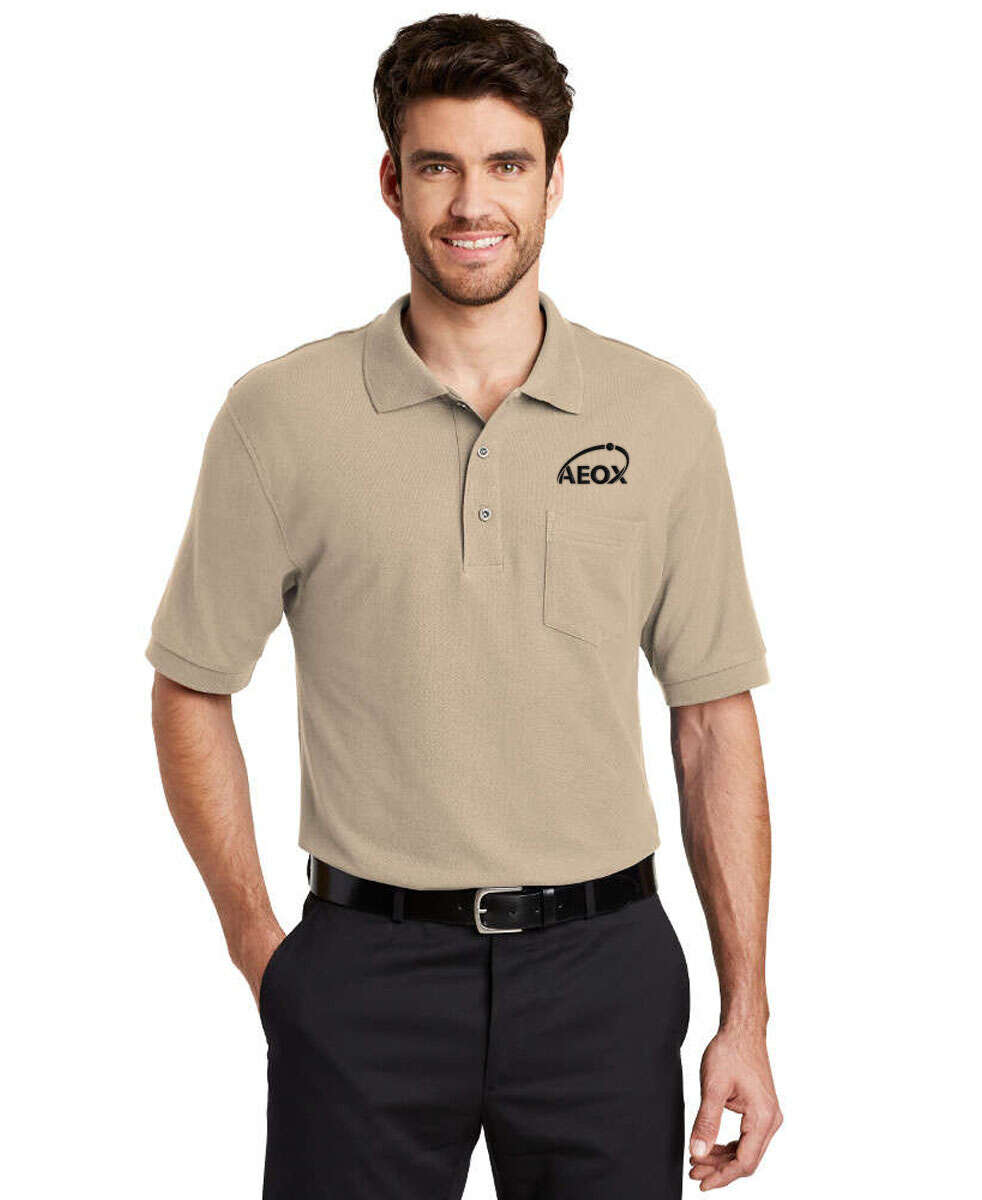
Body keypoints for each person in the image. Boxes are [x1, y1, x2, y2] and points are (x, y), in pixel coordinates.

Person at [147, 12, 781, 1197]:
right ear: (392, 182)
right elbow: (191, 684)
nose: (472, 202)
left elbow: (712, 717)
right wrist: (262, 951)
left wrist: (745, 1013)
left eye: (506, 165)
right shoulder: (280, 416)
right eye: (438, 165)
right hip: (365, 973)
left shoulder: (659, 414)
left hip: (605, 974)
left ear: (553, 182)